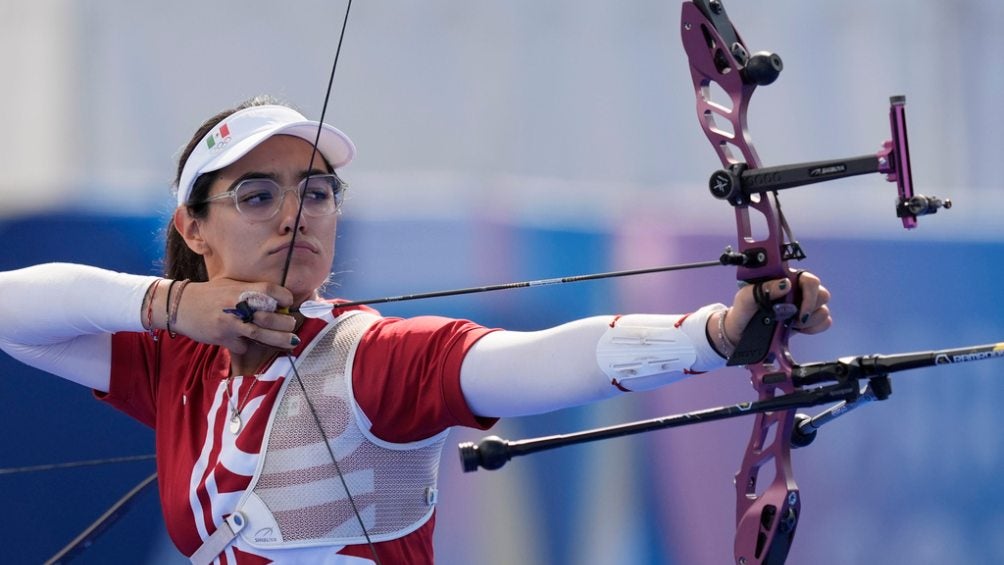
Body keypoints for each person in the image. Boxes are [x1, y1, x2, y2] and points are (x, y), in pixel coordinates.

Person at [0, 95, 831, 564]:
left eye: (317, 193)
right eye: (258, 196)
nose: (297, 215)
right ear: (193, 227)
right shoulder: (181, 366)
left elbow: (526, 362)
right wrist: (173, 307)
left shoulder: (366, 358)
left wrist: (716, 333)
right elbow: (14, 313)